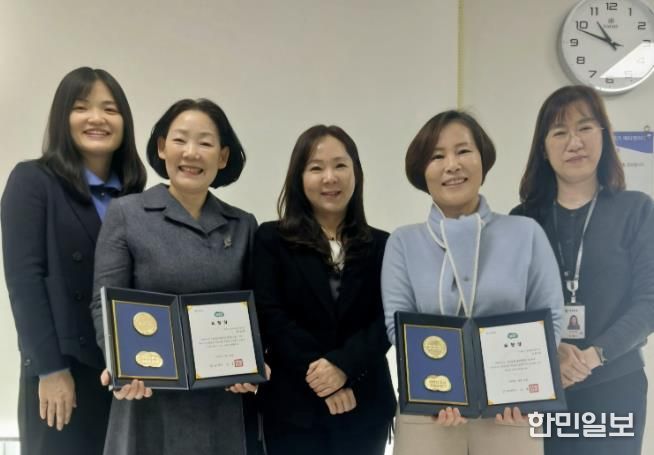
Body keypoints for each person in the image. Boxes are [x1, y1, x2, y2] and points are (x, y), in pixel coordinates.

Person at [382, 110, 564, 455]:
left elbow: (551, 317)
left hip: (510, 414)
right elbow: (398, 327)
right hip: (429, 413)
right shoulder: (403, 242)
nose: (452, 165)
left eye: (463, 151)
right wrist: (436, 392)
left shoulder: (525, 234)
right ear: (422, 170)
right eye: (437, 156)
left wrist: (521, 386)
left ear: (483, 159)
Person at [89, 98, 262, 455]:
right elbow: (104, 302)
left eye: (205, 143)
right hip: (146, 395)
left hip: (219, 401)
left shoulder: (242, 225)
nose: (191, 153)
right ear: (161, 147)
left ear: (223, 157)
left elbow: (255, 310)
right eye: (180, 139)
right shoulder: (127, 214)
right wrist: (119, 363)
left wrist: (254, 362)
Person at [1, 67, 147, 455]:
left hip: (124, 374)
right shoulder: (33, 180)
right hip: (63, 369)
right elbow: (24, 281)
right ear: (62, 118)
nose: (97, 118)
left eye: (110, 109)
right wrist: (50, 369)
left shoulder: (136, 195)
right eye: (81, 108)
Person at [511, 85, 654, 455]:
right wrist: (553, 351)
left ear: (603, 135)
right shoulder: (523, 220)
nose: (574, 142)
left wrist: (593, 356)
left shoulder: (636, 210)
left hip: (615, 383)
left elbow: (649, 302)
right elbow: (513, 307)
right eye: (560, 132)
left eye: (585, 128)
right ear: (543, 148)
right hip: (540, 384)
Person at [254, 125, 396, 455]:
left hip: (364, 405)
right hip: (293, 409)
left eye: (340, 165)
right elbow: (269, 314)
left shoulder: (383, 244)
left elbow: (387, 319)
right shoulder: (271, 239)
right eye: (316, 168)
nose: (329, 178)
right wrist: (324, 378)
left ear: (356, 172)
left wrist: (343, 366)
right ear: (299, 178)